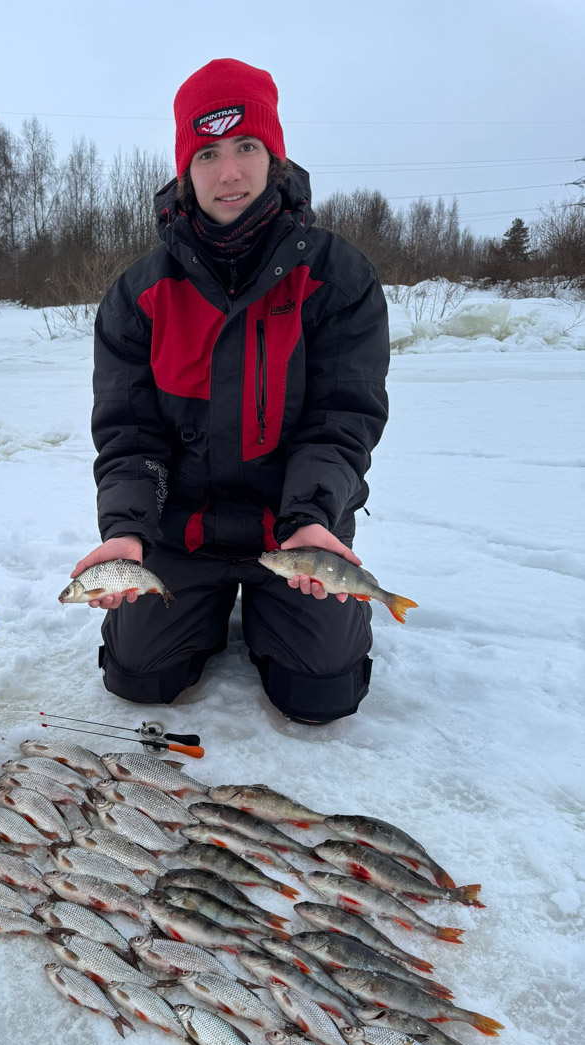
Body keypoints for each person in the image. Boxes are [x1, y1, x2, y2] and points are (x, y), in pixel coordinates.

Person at [70, 58, 390, 725]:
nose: (230, 173)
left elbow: (341, 420)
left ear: (274, 157)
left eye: (246, 147)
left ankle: (279, 610)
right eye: (208, 152)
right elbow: (130, 436)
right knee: (141, 679)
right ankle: (203, 604)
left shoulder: (338, 276)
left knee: (320, 695)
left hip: (295, 532)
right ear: (186, 168)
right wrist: (127, 528)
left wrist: (313, 518)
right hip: (183, 534)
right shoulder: (140, 294)